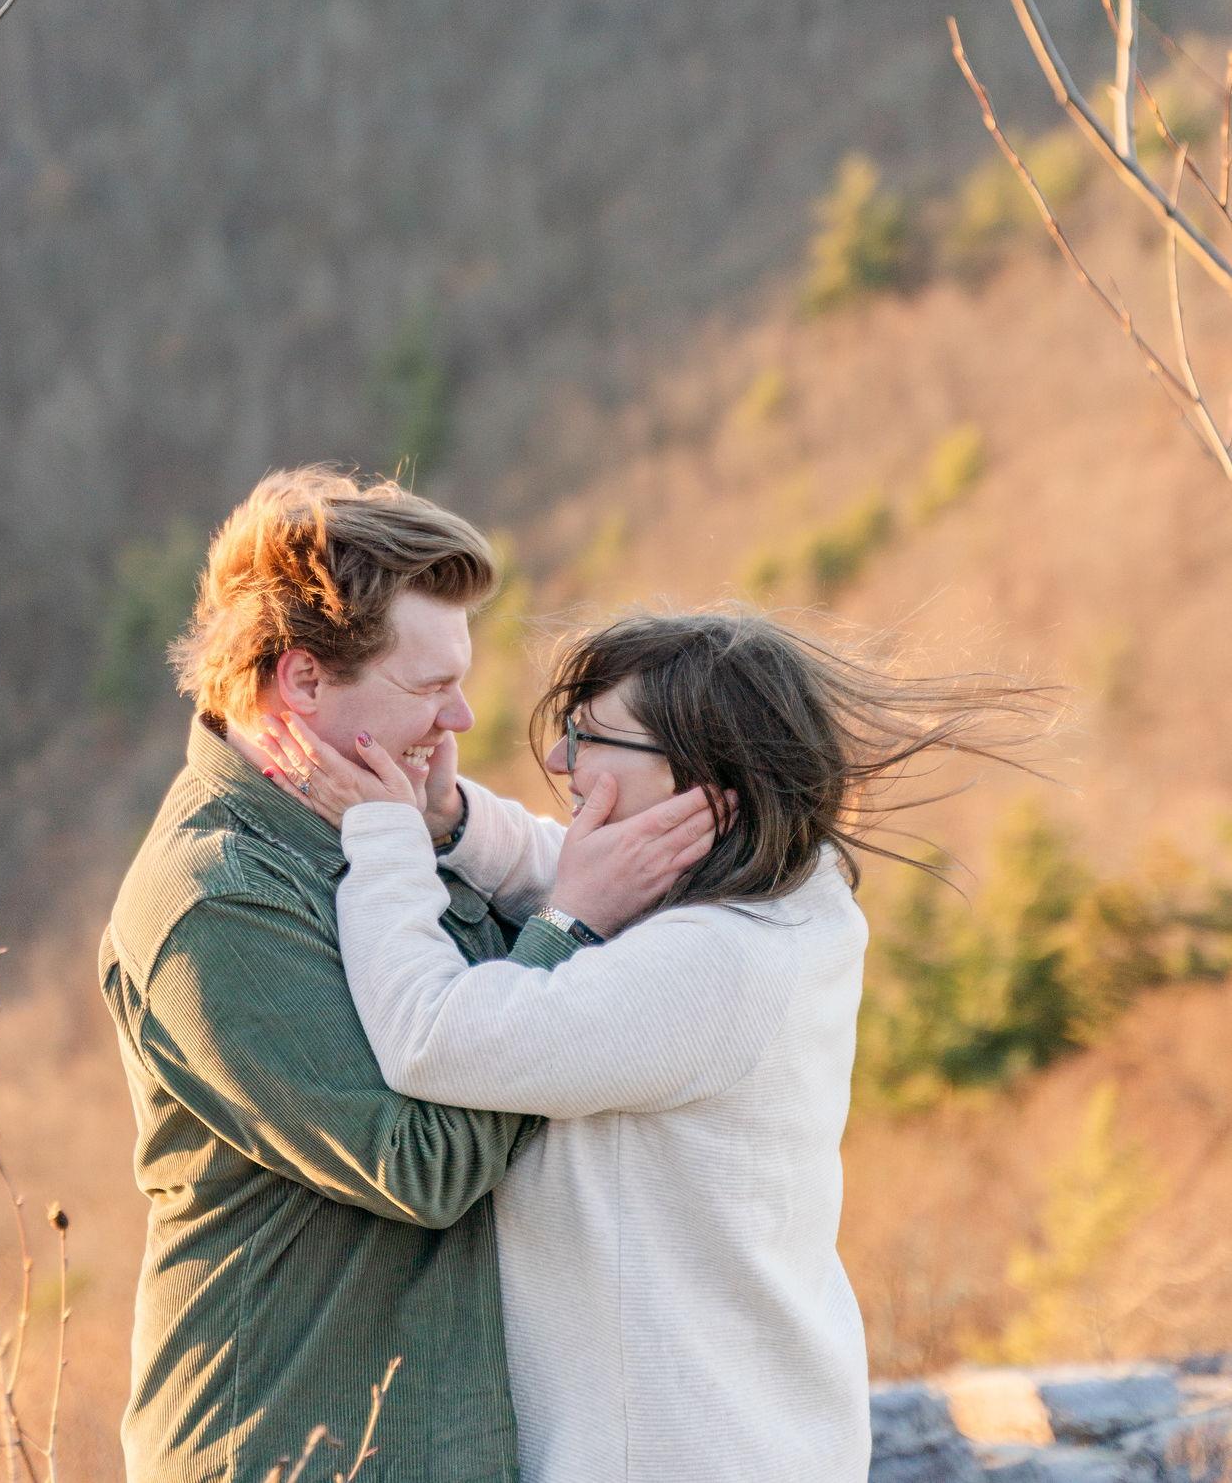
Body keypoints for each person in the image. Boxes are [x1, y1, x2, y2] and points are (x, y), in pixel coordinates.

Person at [257, 609, 1052, 1483]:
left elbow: (435, 1036)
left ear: (703, 783)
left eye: (588, 738)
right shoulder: (774, 892)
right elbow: (583, 865)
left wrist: (383, 838)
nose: (559, 762)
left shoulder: (718, 963)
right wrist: (450, 818)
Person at [98, 467, 712, 1482]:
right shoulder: (213, 903)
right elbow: (420, 1164)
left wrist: (462, 836)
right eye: (428, 688)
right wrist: (572, 930)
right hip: (295, 1445)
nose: (462, 718)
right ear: (300, 680)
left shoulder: (382, 819)